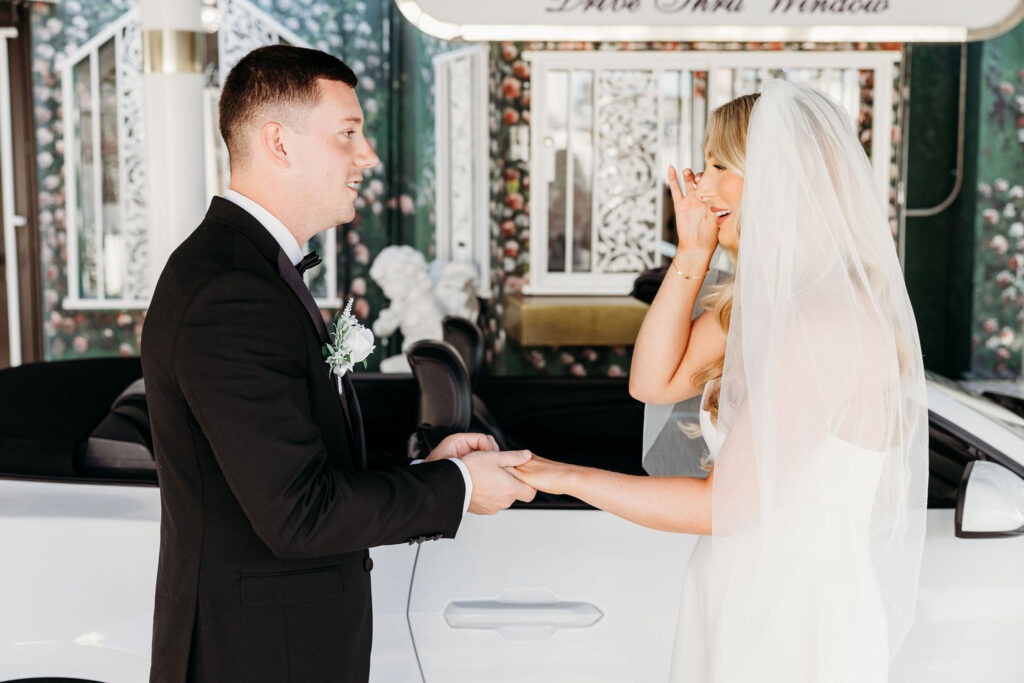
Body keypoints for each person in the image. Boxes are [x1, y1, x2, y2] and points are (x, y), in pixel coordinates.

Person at [141, 45, 535, 683]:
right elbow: (298, 514)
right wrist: (460, 490)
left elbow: (299, 462)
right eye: (348, 134)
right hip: (257, 657)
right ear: (279, 143)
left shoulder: (248, 269)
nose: (368, 156)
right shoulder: (232, 291)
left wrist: (424, 470)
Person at [513, 80, 928, 682]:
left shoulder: (828, 317)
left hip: (790, 614)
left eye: (717, 165)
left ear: (782, 179)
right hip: (738, 586)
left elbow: (725, 506)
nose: (700, 187)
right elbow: (652, 383)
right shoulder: (760, 305)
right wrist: (692, 258)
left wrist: (558, 475)